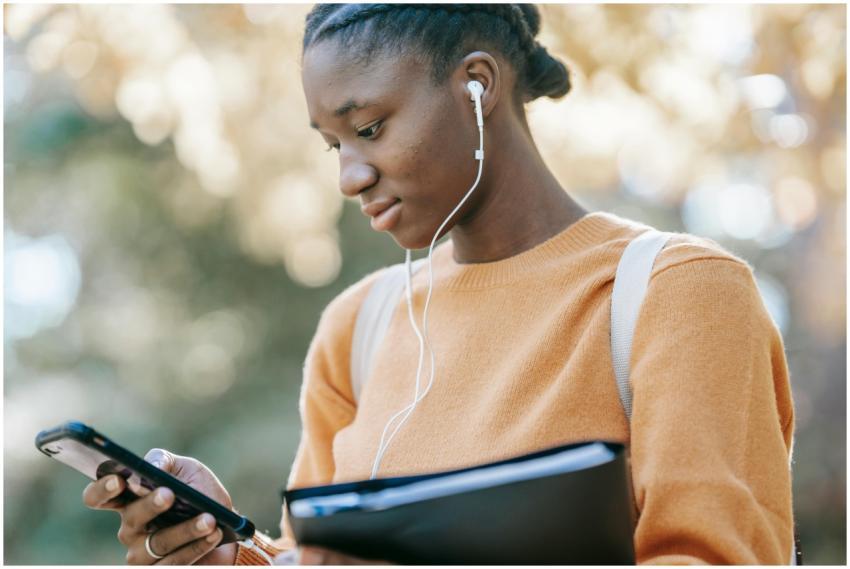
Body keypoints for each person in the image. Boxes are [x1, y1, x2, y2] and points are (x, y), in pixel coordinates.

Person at [81, 4, 796, 565]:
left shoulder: (680, 295)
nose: (349, 176)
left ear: (477, 84)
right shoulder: (358, 328)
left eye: (369, 128)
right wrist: (231, 551)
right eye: (333, 145)